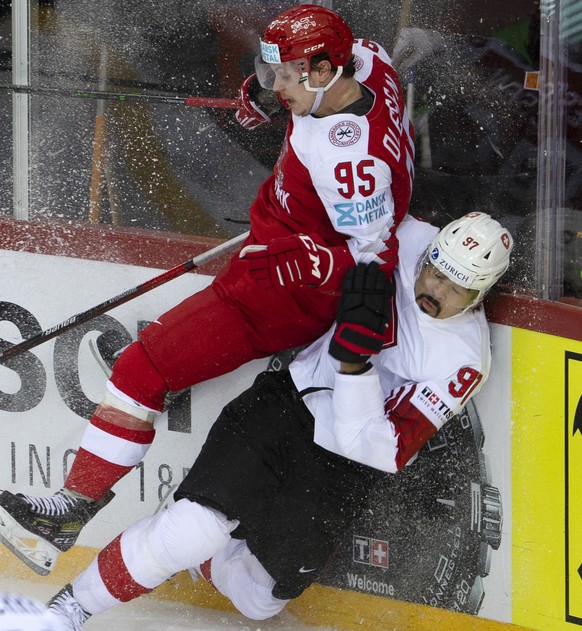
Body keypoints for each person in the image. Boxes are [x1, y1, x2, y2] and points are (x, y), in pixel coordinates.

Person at [0, 4, 415, 576]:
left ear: (323, 71)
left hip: (279, 294)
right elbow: (323, 83)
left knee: (142, 370)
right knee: (146, 367)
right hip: (273, 254)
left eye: (287, 76)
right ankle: (73, 502)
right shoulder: (369, 62)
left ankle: (67, 514)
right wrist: (269, 95)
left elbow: (372, 261)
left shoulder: (346, 159)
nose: (278, 84)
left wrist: (303, 264)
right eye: (274, 72)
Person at [38, 212, 513, 630]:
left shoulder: (465, 360)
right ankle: (70, 610)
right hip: (284, 408)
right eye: (434, 270)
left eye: (457, 288)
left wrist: (354, 367)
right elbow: (327, 203)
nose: (434, 289)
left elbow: (383, 450)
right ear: (431, 249)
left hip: (344, 466)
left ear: (480, 293)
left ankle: (206, 557)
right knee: (189, 530)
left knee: (260, 600)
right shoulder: (404, 234)